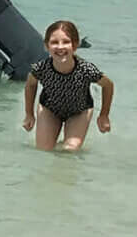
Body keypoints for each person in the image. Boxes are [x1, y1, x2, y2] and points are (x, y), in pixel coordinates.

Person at [22, 20, 112, 152]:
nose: (60, 47)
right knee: (43, 150)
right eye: (54, 42)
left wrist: (104, 115)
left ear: (75, 46)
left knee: (69, 150)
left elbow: (108, 85)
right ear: (47, 46)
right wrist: (29, 114)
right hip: (49, 109)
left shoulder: (86, 69)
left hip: (79, 111)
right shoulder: (41, 68)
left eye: (66, 42)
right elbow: (30, 85)